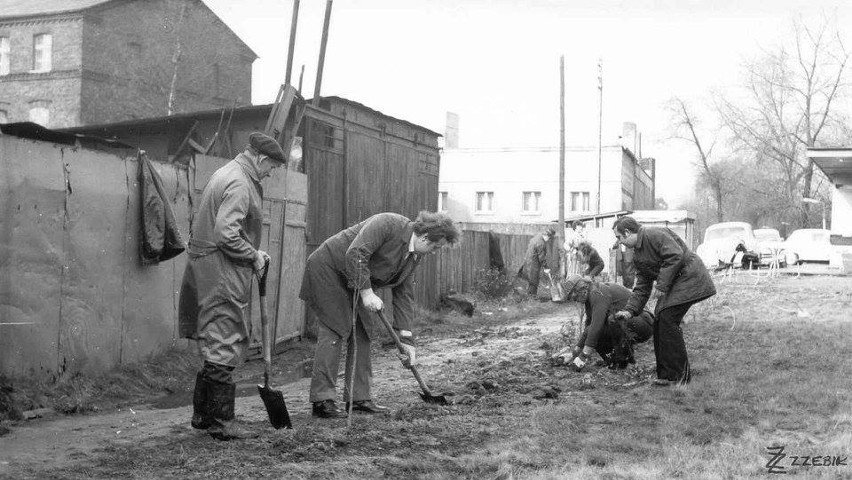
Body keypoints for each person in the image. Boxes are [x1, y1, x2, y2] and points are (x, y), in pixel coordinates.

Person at [178, 132, 287, 440]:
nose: (270, 174)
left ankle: (203, 416)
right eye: (272, 168)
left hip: (208, 266)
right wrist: (252, 254)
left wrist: (254, 252)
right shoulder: (240, 182)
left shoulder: (226, 172)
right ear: (261, 159)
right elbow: (227, 233)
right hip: (222, 269)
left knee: (214, 337)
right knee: (224, 337)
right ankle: (222, 423)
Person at [300, 211, 460, 419]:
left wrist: (406, 340)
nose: (434, 252)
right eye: (435, 247)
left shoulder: (413, 255)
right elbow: (356, 253)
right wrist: (367, 293)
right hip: (330, 270)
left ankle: (359, 398)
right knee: (335, 329)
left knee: (364, 331)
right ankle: (322, 400)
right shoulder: (387, 224)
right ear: (425, 237)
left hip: (355, 279)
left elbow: (404, 295)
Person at [612, 216, 716, 386]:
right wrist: (629, 310)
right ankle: (666, 375)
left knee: (667, 319)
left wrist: (662, 284)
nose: (619, 242)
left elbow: (676, 255)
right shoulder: (638, 255)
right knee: (659, 321)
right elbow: (643, 285)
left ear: (628, 232)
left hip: (690, 276)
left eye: (619, 237)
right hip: (678, 280)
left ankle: (678, 376)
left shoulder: (654, 234)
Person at [554, 275, 653, 370]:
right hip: (630, 323)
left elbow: (596, 327)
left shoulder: (596, 293)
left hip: (643, 322)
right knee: (598, 329)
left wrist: (583, 357)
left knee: (611, 321)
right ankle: (614, 362)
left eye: (574, 296)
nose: (575, 300)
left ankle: (626, 360)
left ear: (581, 289)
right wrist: (574, 354)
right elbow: (588, 329)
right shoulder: (590, 296)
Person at [518, 227, 555, 296]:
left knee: (530, 280)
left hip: (528, 261)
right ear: (547, 236)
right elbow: (542, 258)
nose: (549, 240)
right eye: (550, 238)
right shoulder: (541, 243)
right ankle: (531, 298)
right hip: (533, 264)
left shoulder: (537, 236)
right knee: (534, 282)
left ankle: (528, 295)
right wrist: (546, 267)